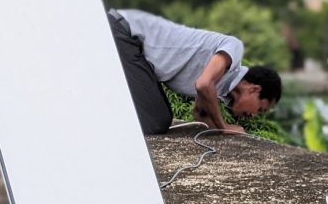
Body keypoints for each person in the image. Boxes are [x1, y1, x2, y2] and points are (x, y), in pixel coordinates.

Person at [107, 8, 282, 135]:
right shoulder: (233, 50)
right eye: (260, 109)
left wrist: (211, 124)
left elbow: (200, 113)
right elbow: (204, 84)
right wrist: (223, 126)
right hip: (126, 32)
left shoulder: (221, 86)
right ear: (254, 90)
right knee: (155, 121)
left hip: (131, 43)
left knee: (156, 116)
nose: (253, 115)